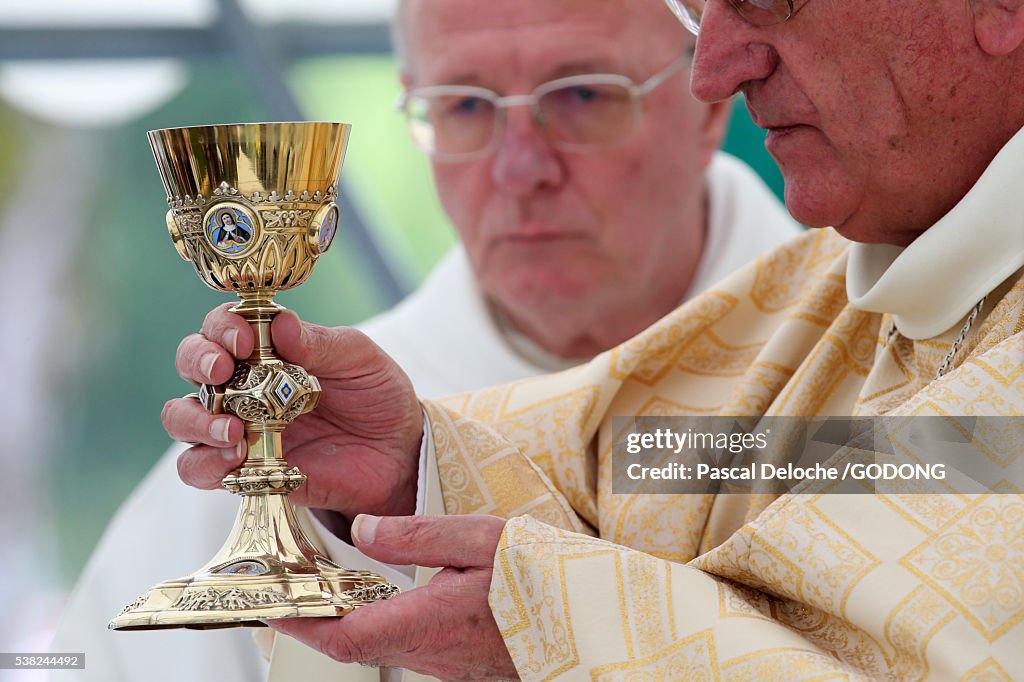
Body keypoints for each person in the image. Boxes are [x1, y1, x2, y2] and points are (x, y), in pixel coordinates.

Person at [165, 0, 1024, 678]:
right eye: (463, 106)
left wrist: (558, 639)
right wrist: (415, 466)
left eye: (583, 96)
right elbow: (631, 470)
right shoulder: (829, 290)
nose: (715, 72)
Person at [50, 0, 798, 679]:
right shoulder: (294, 434)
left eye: (583, 95)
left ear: (708, 104)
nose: (519, 168)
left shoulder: (868, 371)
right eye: (464, 106)